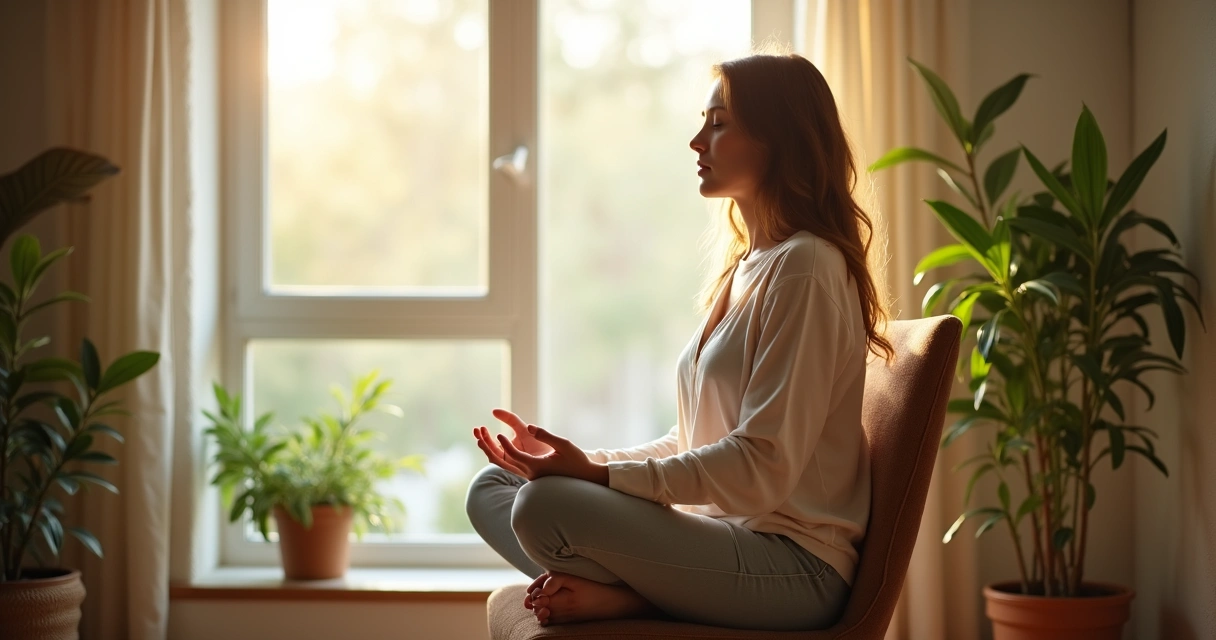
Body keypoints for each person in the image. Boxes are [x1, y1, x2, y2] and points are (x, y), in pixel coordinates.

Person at [465, 51, 893, 632]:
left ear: (779, 138)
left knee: (544, 506)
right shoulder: (749, 266)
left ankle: (634, 597)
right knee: (498, 486)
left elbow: (762, 466)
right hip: (719, 539)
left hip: (794, 568)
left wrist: (595, 480)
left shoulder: (807, 267)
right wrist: (585, 463)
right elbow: (692, 440)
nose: (697, 141)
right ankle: (639, 588)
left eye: (719, 124)